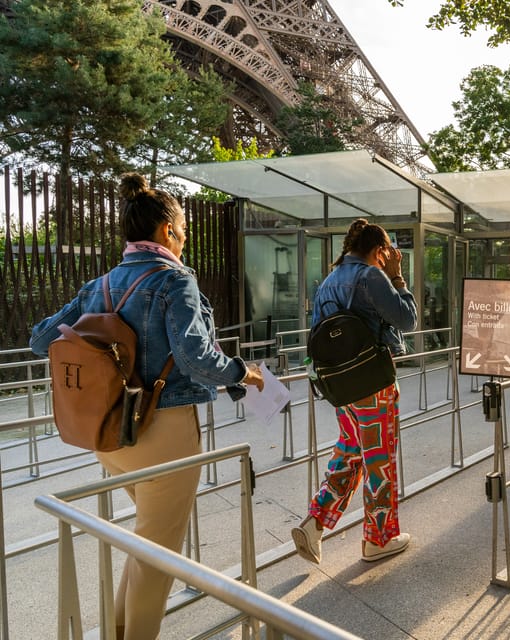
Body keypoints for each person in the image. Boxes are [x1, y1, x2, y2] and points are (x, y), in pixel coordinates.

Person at [30, 173, 265, 640]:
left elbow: (41, 339)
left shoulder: (99, 285)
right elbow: (197, 356)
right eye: (183, 231)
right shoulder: (175, 280)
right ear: (166, 232)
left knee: (145, 543)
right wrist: (244, 373)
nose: (185, 240)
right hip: (164, 433)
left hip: (110, 434)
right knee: (159, 556)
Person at [292, 219, 418, 565]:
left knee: (351, 452)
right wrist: (397, 277)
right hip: (372, 386)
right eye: (387, 253)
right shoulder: (371, 275)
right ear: (379, 251)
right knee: (379, 459)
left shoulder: (330, 281)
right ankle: (379, 539)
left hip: (342, 389)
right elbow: (408, 320)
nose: (388, 259)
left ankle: (315, 523)